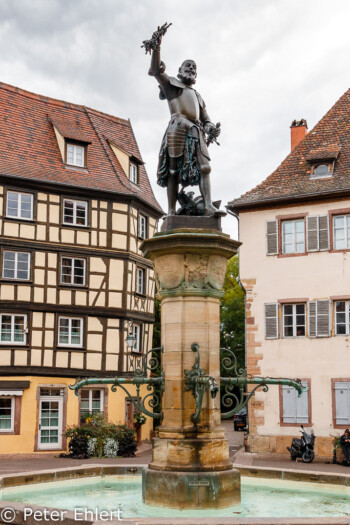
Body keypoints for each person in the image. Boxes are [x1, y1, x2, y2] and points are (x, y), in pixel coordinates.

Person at [145, 25, 221, 216]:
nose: (191, 68)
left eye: (194, 67)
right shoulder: (172, 86)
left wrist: (212, 128)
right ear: (179, 71)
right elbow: (155, 70)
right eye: (187, 66)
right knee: (173, 172)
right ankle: (171, 211)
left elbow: (206, 119)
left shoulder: (198, 96)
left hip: (196, 131)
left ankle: (209, 206)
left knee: (206, 167)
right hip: (177, 128)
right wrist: (157, 48)